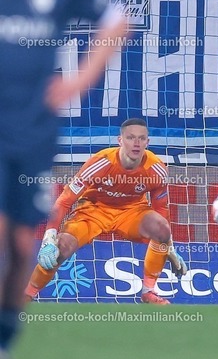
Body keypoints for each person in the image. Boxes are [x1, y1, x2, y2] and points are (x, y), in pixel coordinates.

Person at [0, 0, 128, 359]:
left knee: (21, 245)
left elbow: (116, 21)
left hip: (33, 136)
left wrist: (80, 80)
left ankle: (4, 341)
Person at [24, 118, 187, 305]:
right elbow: (64, 200)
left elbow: (161, 209)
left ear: (147, 142)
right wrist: (49, 237)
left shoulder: (157, 169)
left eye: (141, 138)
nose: (136, 143)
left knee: (161, 228)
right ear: (120, 140)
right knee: (62, 248)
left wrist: (168, 244)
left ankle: (148, 292)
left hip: (131, 212)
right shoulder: (101, 162)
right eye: (130, 137)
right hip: (93, 211)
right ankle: (27, 295)